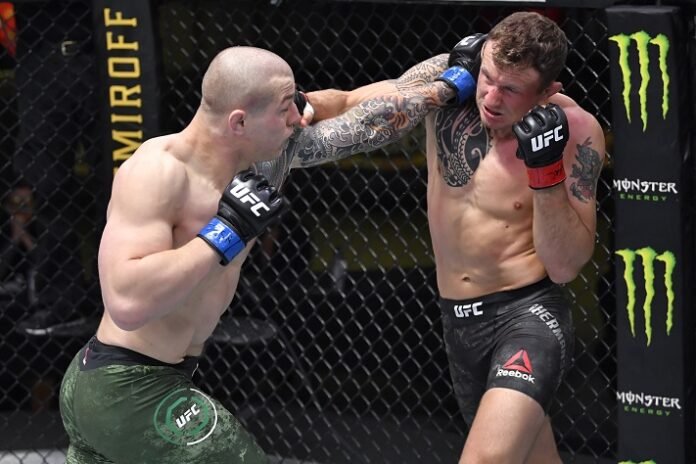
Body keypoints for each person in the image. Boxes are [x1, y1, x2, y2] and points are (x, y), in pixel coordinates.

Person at [58, 45, 463, 463]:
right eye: (285, 108)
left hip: (145, 381)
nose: (297, 118)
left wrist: (458, 74)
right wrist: (224, 233)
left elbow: (360, 115)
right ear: (239, 121)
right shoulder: (159, 172)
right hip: (125, 385)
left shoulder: (262, 161)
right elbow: (127, 303)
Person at [304, 11, 605, 464]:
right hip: (459, 322)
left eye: (511, 89)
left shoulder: (577, 132)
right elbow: (352, 100)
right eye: (488, 77)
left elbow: (564, 266)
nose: (491, 97)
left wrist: (545, 174)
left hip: (528, 316)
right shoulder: (449, 83)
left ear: (548, 92)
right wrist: (304, 103)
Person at [12, 0, 107, 336]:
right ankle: (61, 300)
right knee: (46, 179)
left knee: (117, 176)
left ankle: (119, 292)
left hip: (107, 52)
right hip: (40, 54)